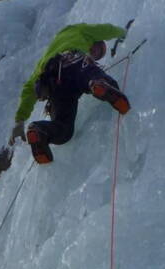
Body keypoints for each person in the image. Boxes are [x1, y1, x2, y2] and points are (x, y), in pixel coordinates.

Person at [9, 23, 132, 164]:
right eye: (98, 50)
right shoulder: (78, 31)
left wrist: (20, 121)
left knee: (65, 130)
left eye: (97, 56)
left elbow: (30, 88)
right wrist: (123, 32)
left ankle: (40, 131)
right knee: (94, 76)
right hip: (72, 60)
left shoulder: (45, 58)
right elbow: (105, 30)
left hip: (54, 85)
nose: (95, 54)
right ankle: (97, 83)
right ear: (94, 41)